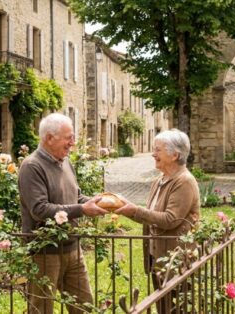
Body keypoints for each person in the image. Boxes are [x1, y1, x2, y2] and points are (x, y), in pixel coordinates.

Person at [18, 113, 108, 313]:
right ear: (49, 138)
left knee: (83, 306)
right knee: (42, 308)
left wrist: (100, 202)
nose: (73, 143)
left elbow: (76, 197)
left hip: (72, 248)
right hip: (44, 252)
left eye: (73, 137)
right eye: (68, 138)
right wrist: (83, 209)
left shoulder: (65, 161)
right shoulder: (32, 166)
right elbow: (39, 210)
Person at [115, 129, 200, 313]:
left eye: (158, 150)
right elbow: (151, 217)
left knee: (177, 308)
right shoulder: (160, 180)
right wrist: (125, 208)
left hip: (175, 258)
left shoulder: (184, 181)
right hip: (158, 256)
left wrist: (135, 209)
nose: (153, 154)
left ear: (175, 155)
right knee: (163, 306)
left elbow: (170, 219)